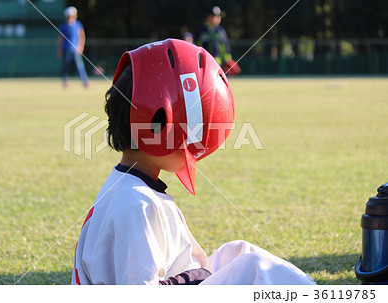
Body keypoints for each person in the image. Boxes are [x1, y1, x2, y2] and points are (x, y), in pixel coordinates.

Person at [71, 39, 315, 285]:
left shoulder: (132, 189)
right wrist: (193, 279)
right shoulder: (135, 204)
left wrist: (195, 276)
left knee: (239, 252)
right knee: (253, 268)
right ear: (160, 129)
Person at [195, 6, 240, 76]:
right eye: (214, 16)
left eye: (218, 16)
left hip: (217, 63)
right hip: (203, 63)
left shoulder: (221, 31)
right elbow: (197, 47)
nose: (217, 19)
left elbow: (225, 47)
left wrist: (228, 60)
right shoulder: (201, 30)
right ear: (208, 17)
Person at [57, 6, 90, 88]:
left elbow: (82, 36)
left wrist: (81, 46)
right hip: (66, 50)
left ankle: (85, 81)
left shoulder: (78, 24)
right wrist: (59, 50)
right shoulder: (63, 26)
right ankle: (65, 81)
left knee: (80, 66)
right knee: (65, 66)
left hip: (75, 50)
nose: (70, 17)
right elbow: (60, 39)